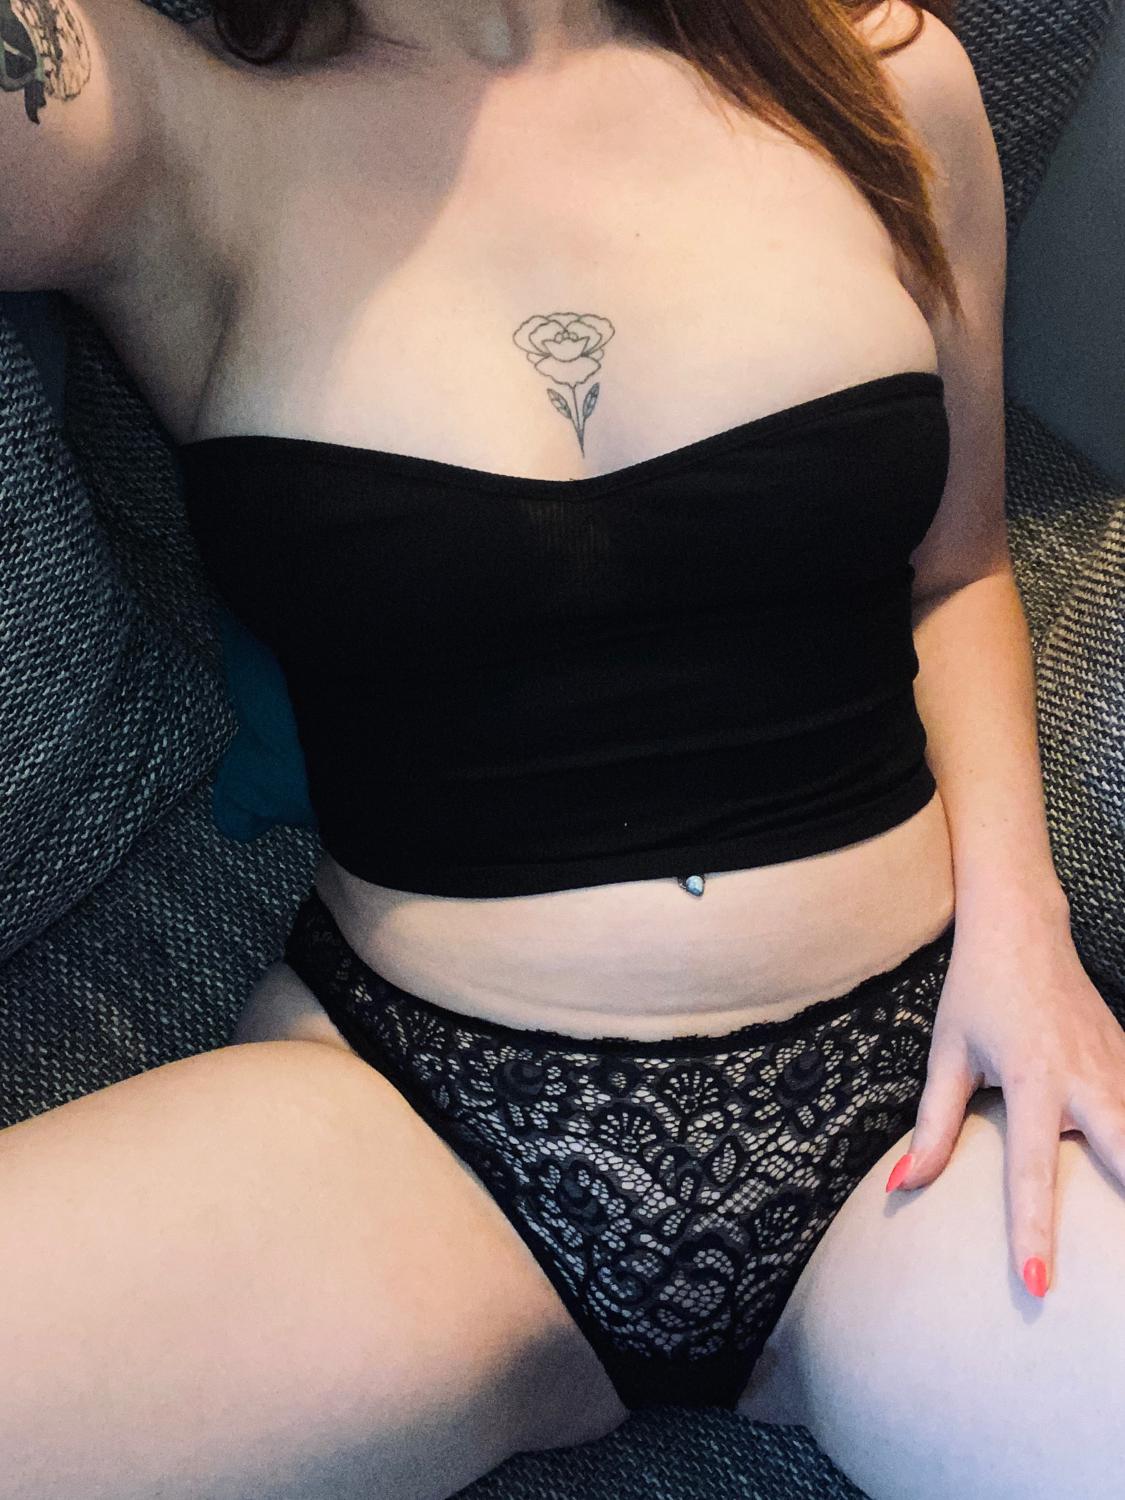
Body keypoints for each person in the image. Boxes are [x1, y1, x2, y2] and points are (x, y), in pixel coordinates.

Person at [4, 0, 1125, 1495]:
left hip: (918, 1099)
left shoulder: (885, 79)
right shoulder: (156, 118)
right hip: (418, 1135)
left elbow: (959, 569)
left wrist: (1026, 928)